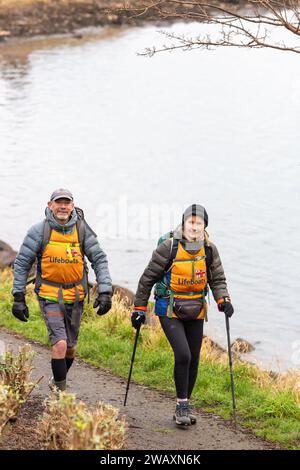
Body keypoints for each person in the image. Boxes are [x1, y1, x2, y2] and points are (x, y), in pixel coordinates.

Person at [131, 204, 234, 426]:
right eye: (191, 222)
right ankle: (181, 406)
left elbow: (217, 279)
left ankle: (183, 405)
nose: (194, 227)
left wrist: (223, 300)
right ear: (184, 223)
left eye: (199, 223)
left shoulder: (209, 250)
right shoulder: (169, 248)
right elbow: (147, 278)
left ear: (205, 225)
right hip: (169, 308)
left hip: (196, 309)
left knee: (194, 359)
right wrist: (139, 309)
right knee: (184, 355)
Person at [12, 188, 112, 391]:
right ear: (50, 205)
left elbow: (99, 259)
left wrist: (105, 292)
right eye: (59, 202)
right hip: (49, 295)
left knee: (70, 348)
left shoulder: (82, 231)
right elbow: (22, 263)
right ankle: (60, 393)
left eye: (67, 203)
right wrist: (18, 296)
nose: (63, 206)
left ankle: (56, 382)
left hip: (76, 296)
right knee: (60, 344)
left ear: (72, 206)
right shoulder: (38, 231)